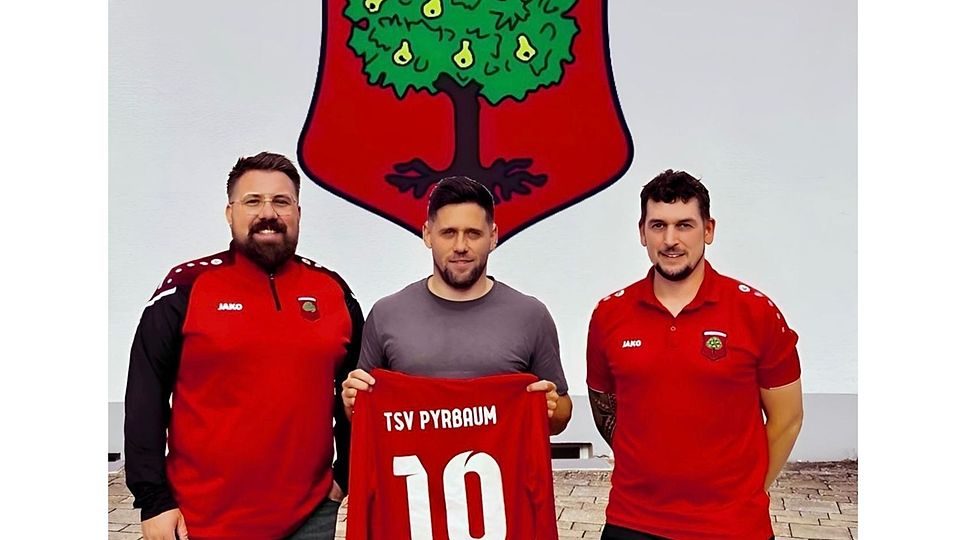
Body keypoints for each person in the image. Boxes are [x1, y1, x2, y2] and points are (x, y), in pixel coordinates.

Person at [124, 151, 363, 540]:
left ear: (298, 213)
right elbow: (145, 399)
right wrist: (153, 501)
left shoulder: (333, 291)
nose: (268, 213)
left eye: (281, 201)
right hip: (201, 518)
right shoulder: (184, 289)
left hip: (309, 516)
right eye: (253, 201)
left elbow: (358, 395)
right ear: (229, 212)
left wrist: (343, 478)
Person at [586, 170, 804, 540]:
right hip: (632, 520)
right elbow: (604, 407)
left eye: (684, 225)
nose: (670, 240)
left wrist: (749, 492)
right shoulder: (609, 314)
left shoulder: (756, 312)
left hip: (733, 527)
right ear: (642, 233)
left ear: (708, 230)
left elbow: (788, 418)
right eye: (658, 225)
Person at [341, 175, 572, 435]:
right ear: (427, 234)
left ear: (493, 236)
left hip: (503, 463)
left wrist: (551, 407)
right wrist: (352, 402)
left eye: (473, 234)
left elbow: (561, 415)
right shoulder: (386, 315)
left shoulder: (531, 316)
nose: (460, 246)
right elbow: (362, 415)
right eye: (448, 233)